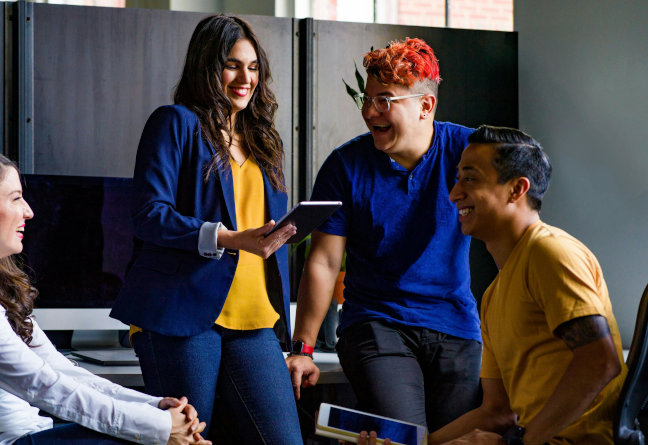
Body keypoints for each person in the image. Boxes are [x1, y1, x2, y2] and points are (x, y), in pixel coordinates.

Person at [0, 150, 210, 445]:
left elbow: (63, 371)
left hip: (24, 434)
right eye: (16, 198)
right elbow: (42, 385)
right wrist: (159, 428)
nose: (29, 211)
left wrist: (153, 406)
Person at [109, 15, 303, 445]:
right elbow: (149, 214)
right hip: (183, 314)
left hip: (255, 316)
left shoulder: (264, 140)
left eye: (253, 67)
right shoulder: (175, 123)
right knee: (189, 439)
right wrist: (228, 238)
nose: (245, 78)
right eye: (232, 65)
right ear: (207, 66)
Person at [287, 37, 481, 431]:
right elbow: (324, 261)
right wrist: (303, 349)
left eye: (384, 100)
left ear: (425, 106)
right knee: (404, 436)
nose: (369, 111)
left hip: (455, 325)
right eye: (368, 99)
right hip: (376, 324)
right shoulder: (345, 166)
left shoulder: (468, 151)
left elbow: (519, 198)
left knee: (456, 439)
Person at [425, 125, 624, 444]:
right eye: (458, 178)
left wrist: (520, 443)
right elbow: (496, 411)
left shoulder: (549, 252)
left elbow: (600, 361)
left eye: (470, 179)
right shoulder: (493, 295)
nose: (454, 194)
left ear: (516, 189)